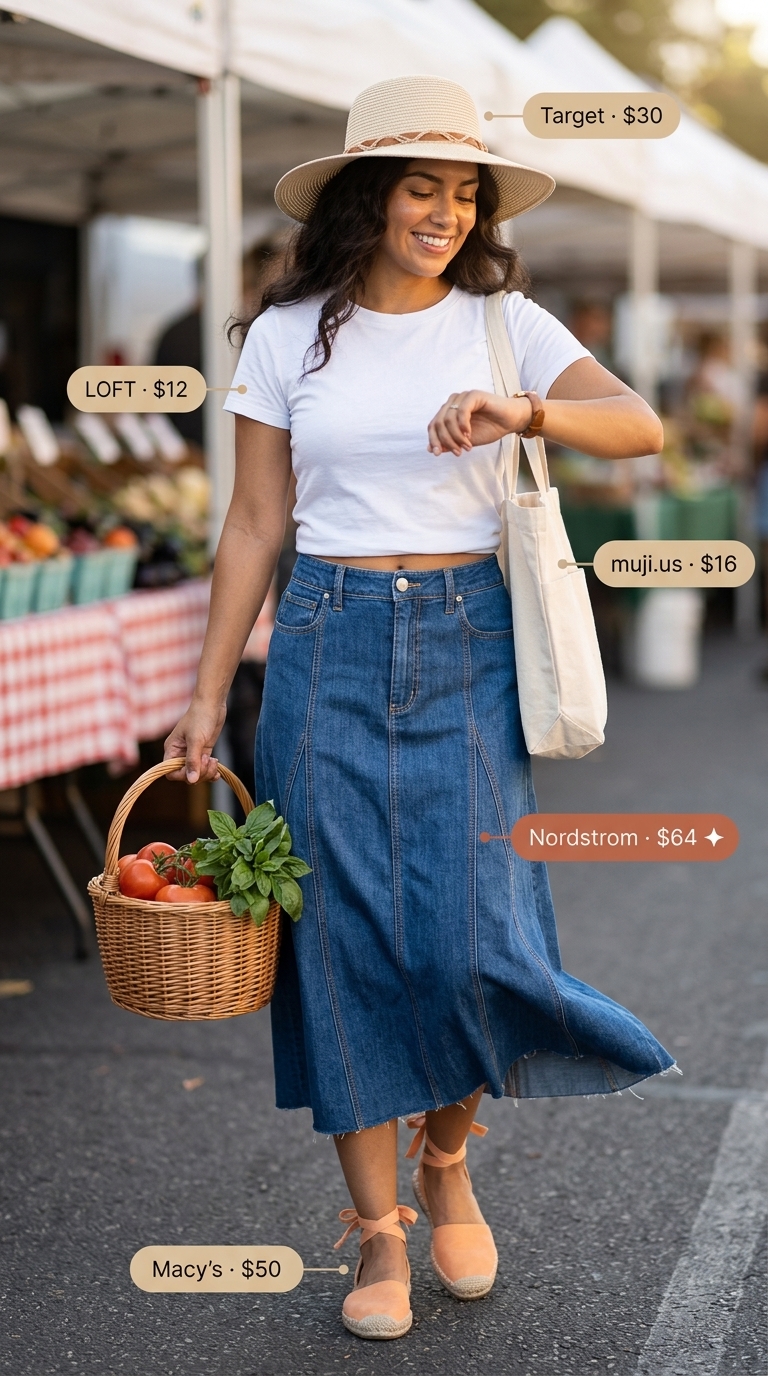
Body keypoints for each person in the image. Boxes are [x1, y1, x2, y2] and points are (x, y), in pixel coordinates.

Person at [164, 76, 672, 1342]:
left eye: (463, 193)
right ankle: (378, 1226)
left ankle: (447, 1155)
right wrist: (207, 690)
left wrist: (526, 409)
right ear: (368, 197)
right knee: (339, 942)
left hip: (468, 639)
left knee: (477, 936)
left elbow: (641, 426)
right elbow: (255, 522)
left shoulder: (503, 323)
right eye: (420, 187)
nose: (444, 212)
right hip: (324, 640)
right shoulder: (285, 336)